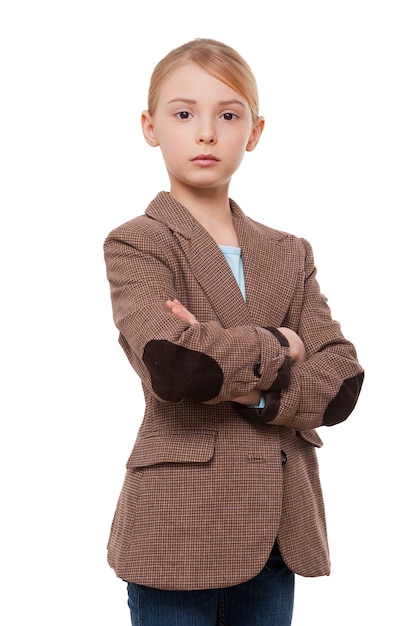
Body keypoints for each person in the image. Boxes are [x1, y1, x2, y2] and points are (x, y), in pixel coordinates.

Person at [103, 38, 364, 626]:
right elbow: (176, 367)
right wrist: (282, 344)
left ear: (255, 130)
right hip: (175, 523)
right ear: (150, 126)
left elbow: (341, 382)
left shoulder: (289, 252)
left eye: (227, 115)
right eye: (183, 113)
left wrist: (254, 385)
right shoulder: (138, 243)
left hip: (276, 526)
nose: (205, 133)